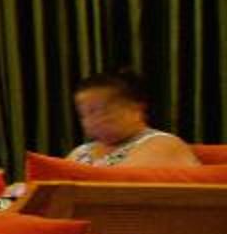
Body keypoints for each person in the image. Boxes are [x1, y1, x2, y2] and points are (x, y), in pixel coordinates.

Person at [64, 67, 198, 169]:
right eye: (84, 114)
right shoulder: (81, 152)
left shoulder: (163, 143)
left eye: (104, 111)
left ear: (137, 109)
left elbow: (116, 186)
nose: (93, 120)